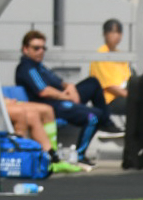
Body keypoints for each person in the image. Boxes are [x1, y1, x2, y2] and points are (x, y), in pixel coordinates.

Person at [13, 30, 97, 169]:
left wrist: (70, 87)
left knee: (93, 84)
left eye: (43, 48)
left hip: (56, 104)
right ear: (25, 49)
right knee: (92, 116)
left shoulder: (40, 67)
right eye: (36, 48)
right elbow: (43, 91)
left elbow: (57, 81)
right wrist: (67, 96)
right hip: (48, 105)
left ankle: (54, 155)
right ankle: (62, 155)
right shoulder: (27, 67)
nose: (41, 51)